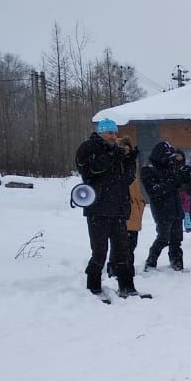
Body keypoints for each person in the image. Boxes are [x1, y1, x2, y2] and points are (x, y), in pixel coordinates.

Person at [76, 119, 140, 297]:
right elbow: (88, 171)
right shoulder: (88, 147)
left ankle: (127, 286)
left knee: (122, 251)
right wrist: (113, 157)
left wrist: (130, 161)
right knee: (99, 252)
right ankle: (93, 287)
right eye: (110, 133)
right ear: (101, 133)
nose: (114, 136)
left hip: (118, 208)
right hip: (98, 209)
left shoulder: (117, 151)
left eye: (115, 133)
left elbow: (126, 179)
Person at [141, 140, 191, 271]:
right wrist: (173, 182)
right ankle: (151, 261)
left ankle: (176, 262)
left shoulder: (171, 166)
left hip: (176, 206)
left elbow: (181, 178)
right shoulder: (148, 169)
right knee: (163, 237)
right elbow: (154, 191)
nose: (170, 160)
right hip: (161, 209)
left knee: (177, 239)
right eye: (168, 157)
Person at [107, 139, 146, 278]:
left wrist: (140, 204)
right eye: (124, 149)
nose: (126, 152)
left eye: (128, 149)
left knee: (131, 244)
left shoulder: (132, 170)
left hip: (134, 212)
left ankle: (128, 269)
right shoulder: (115, 169)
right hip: (121, 211)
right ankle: (115, 269)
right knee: (120, 245)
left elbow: (137, 192)